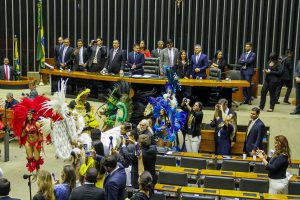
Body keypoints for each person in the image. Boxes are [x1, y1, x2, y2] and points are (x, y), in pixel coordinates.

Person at [13, 108, 44, 173]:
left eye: (30, 115)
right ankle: (32, 172)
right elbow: (23, 134)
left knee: (36, 159)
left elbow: (41, 135)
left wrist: (39, 143)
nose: (29, 116)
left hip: (36, 142)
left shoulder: (37, 124)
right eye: (28, 115)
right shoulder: (25, 123)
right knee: (30, 158)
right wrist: (18, 134)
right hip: (28, 142)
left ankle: (37, 172)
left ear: (33, 115)